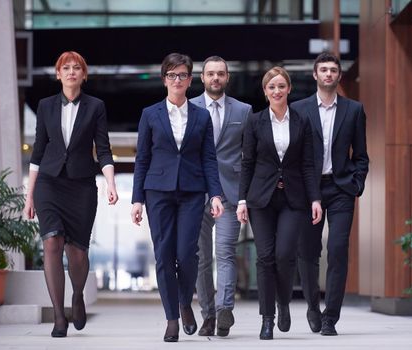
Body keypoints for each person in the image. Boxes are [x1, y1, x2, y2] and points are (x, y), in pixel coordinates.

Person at [23, 51, 119, 338]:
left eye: (77, 68)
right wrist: (29, 196)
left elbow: (103, 148)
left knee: (77, 253)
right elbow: (38, 150)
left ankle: (77, 295)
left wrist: (111, 183)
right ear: (58, 74)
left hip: (81, 185)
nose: (71, 72)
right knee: (52, 242)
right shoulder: (45, 106)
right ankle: (58, 316)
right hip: (49, 184)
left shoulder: (96, 106)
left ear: (83, 75)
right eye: (66, 67)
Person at [130, 53, 225, 343]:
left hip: (192, 192)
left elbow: (209, 158)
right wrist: (137, 200)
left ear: (189, 79)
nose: (177, 80)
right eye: (172, 75)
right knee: (163, 257)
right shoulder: (150, 114)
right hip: (157, 191)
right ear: (164, 79)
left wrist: (216, 194)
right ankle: (172, 317)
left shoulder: (201, 116)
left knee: (187, 255)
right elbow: (142, 158)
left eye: (182, 75)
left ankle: (185, 300)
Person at [236, 66, 322, 340]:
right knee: (264, 257)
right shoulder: (255, 122)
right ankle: (267, 318)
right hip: (261, 198)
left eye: (281, 86)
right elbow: (247, 163)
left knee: (284, 255)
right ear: (265, 91)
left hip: (293, 199)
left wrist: (315, 198)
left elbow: (308, 164)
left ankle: (283, 301)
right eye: (271, 86)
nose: (276, 91)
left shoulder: (302, 121)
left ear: (288, 89)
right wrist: (241, 199)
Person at [292, 52, 369, 336]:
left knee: (337, 250)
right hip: (307, 190)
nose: (328, 74)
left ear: (339, 75)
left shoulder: (354, 110)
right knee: (308, 252)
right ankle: (313, 306)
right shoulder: (298, 109)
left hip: (340, 190)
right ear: (315, 75)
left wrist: (356, 184)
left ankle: (330, 317)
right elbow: (291, 154)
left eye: (333, 70)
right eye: (323, 69)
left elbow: (361, 155)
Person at [190, 56, 252, 337]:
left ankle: (225, 308)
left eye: (221, 74)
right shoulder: (187, 108)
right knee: (201, 258)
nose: (215, 78)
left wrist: (245, 197)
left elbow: (250, 156)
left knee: (225, 252)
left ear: (227, 78)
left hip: (230, 192)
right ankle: (208, 316)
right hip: (196, 194)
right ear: (202, 78)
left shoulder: (244, 110)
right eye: (210, 74)